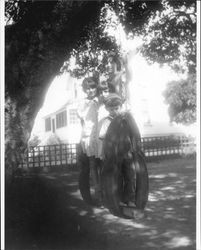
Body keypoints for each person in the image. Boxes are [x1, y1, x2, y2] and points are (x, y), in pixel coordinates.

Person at [97, 93, 136, 207]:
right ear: (107, 109)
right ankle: (118, 199)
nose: (114, 111)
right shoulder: (106, 122)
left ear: (121, 107)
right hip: (113, 154)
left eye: (117, 108)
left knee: (130, 175)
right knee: (116, 176)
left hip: (127, 152)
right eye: (111, 109)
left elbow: (133, 134)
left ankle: (130, 199)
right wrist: (103, 153)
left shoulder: (126, 120)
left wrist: (134, 148)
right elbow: (103, 138)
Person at [77, 76, 101, 201]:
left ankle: (105, 191)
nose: (90, 90)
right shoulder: (82, 103)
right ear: (84, 90)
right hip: (90, 136)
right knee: (92, 166)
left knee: (103, 164)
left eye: (92, 87)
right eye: (87, 88)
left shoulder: (100, 101)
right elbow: (83, 121)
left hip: (100, 136)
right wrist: (86, 137)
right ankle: (96, 193)